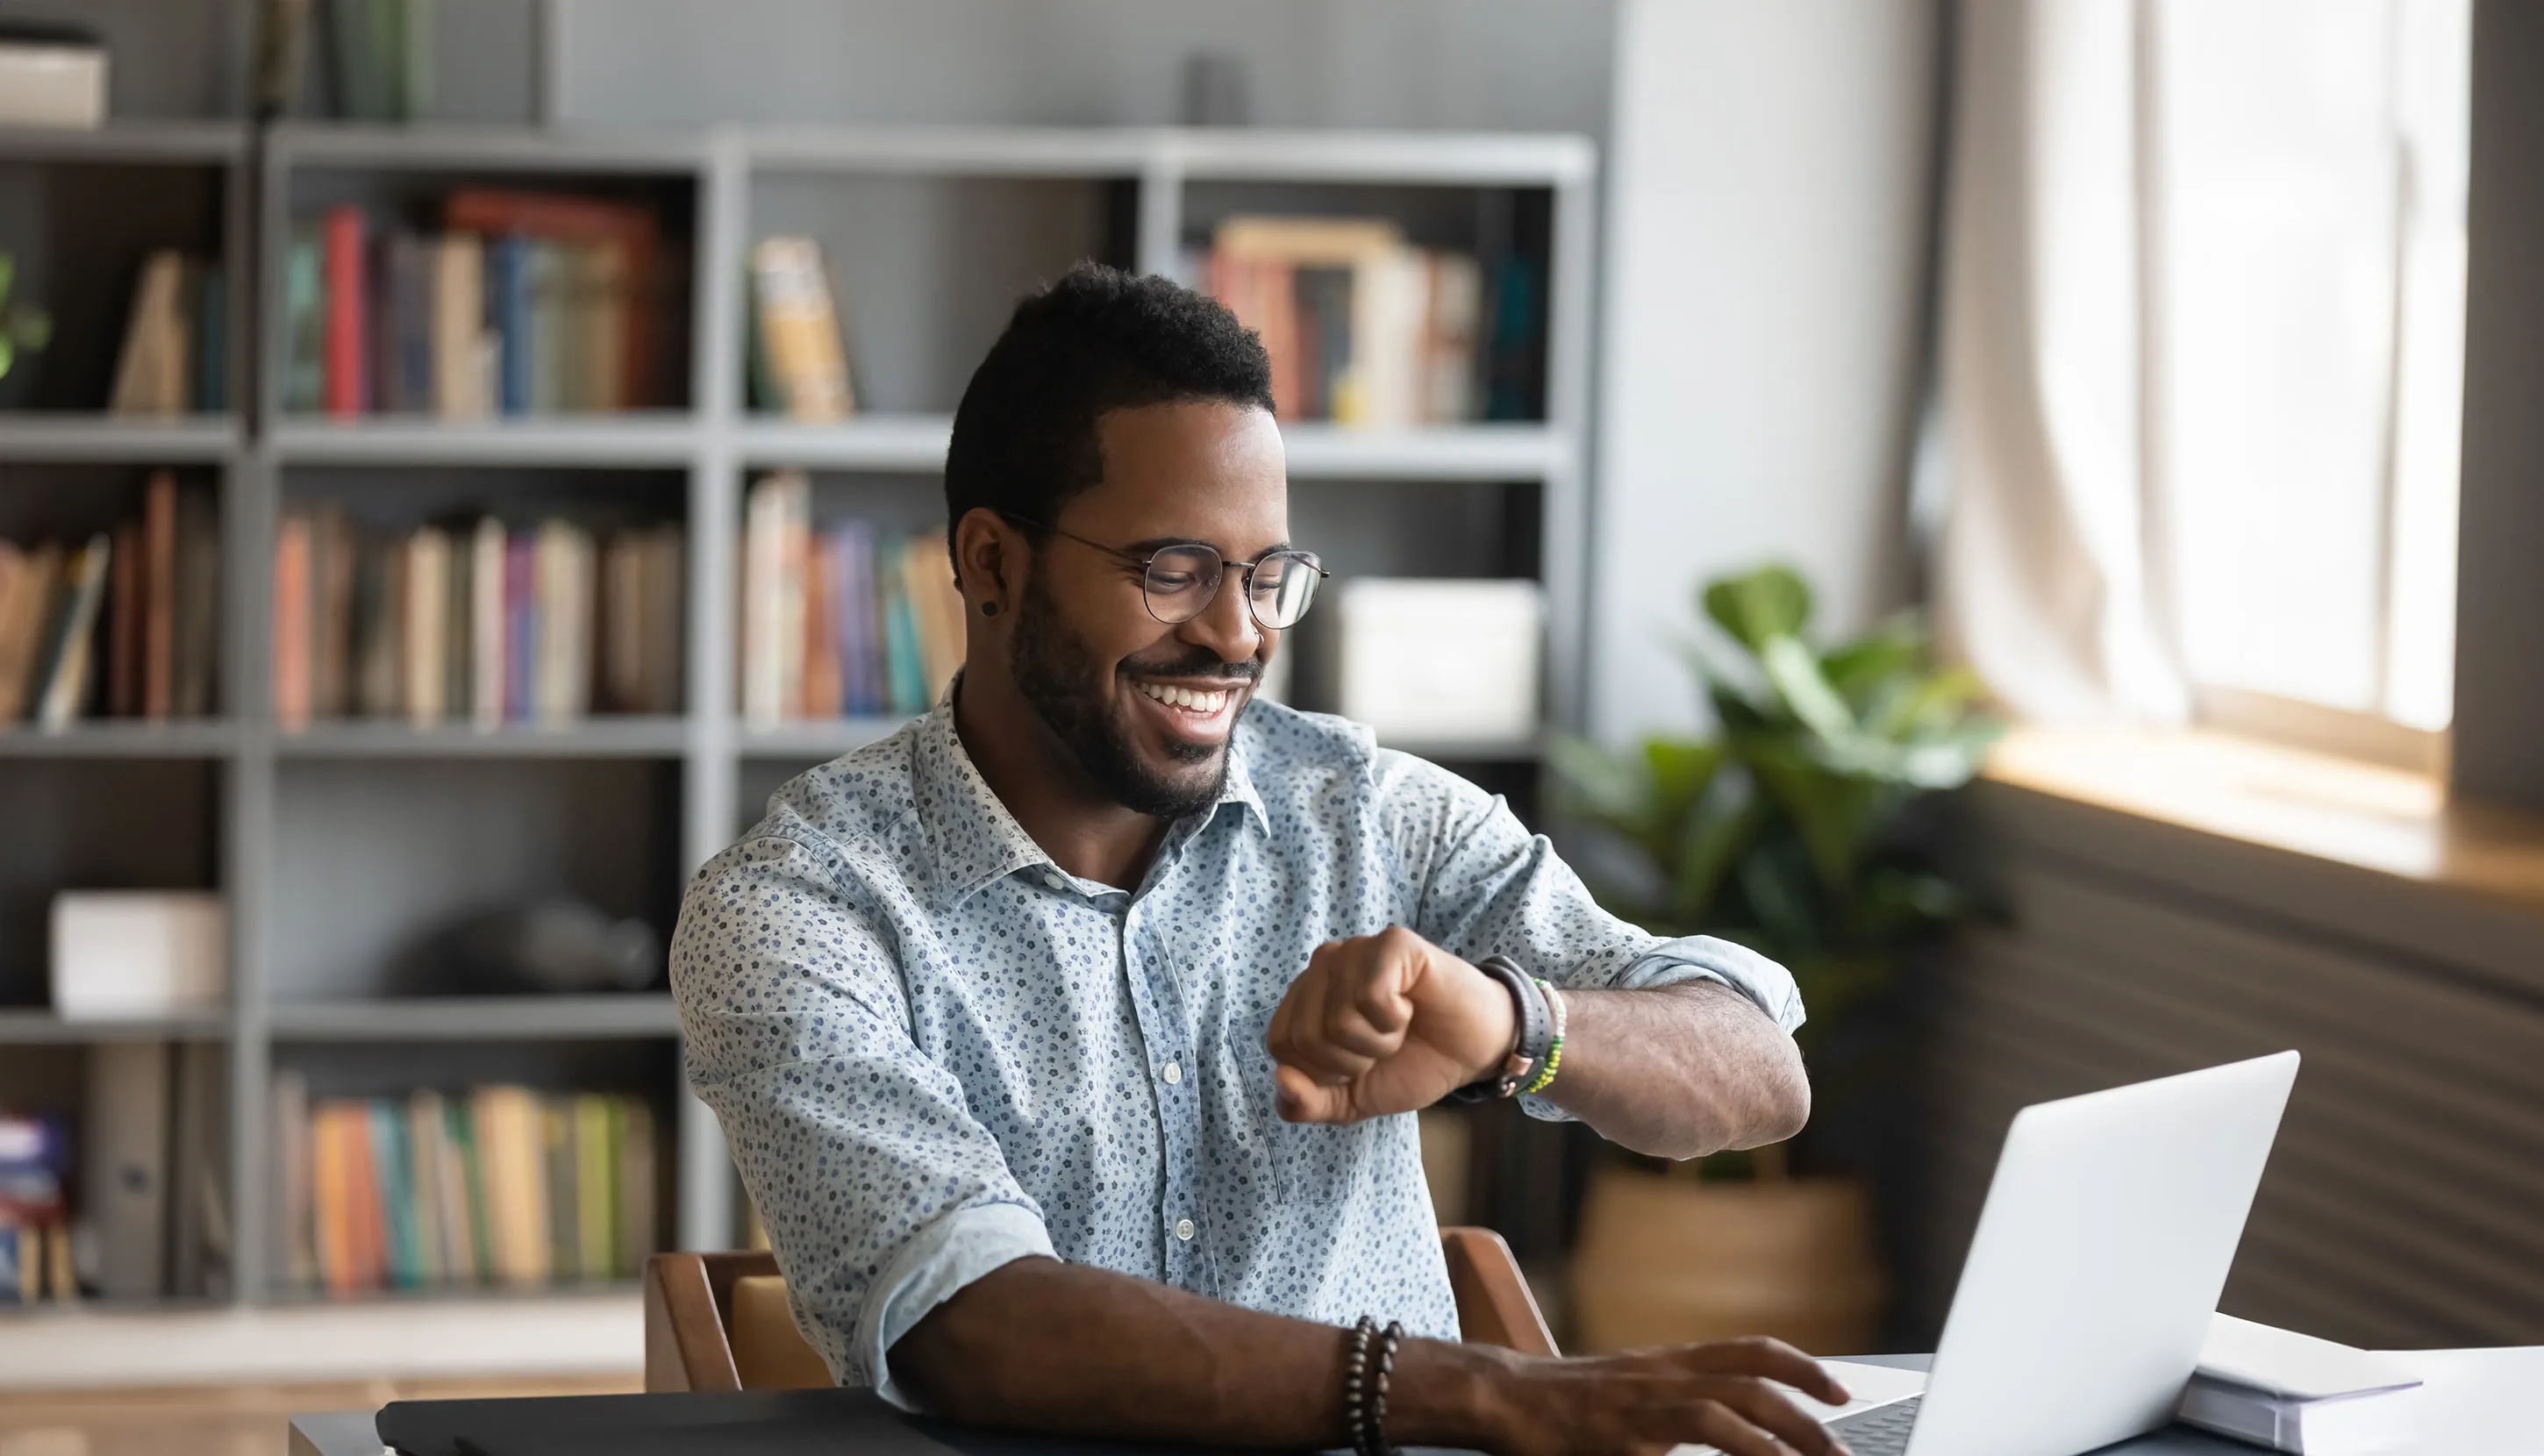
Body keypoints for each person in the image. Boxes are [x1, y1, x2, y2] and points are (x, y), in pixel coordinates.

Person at [670, 263, 1853, 1456]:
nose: (1236, 636)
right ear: (990, 563)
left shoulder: (1372, 817)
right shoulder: (796, 912)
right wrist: (1487, 1394)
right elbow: (974, 1322)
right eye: (1170, 571)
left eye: (1265, 577)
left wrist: (1512, 1026)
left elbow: (1760, 1073)